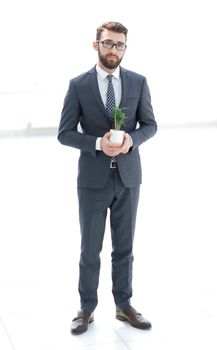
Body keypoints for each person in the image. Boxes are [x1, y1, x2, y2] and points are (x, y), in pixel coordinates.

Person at [58, 21, 157, 335]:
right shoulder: (78, 85)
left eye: (120, 45)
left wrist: (132, 140)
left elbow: (150, 125)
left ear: (125, 48)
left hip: (129, 178)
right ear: (96, 45)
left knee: (124, 248)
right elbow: (64, 134)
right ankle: (86, 309)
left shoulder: (138, 82)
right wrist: (98, 143)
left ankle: (124, 305)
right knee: (90, 248)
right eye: (108, 43)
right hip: (92, 180)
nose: (114, 50)